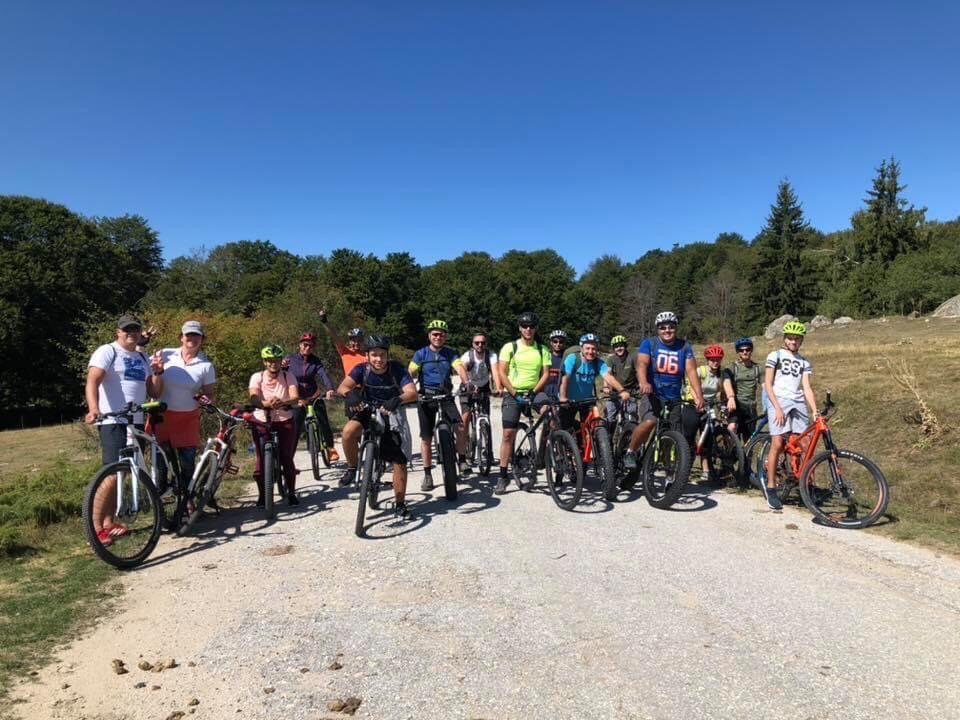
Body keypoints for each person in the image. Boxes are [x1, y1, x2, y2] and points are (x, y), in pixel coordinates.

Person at [84, 314, 164, 546]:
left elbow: (154, 392)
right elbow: (92, 381)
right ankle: (96, 528)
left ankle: (109, 522)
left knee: (123, 472)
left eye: (135, 329)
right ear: (118, 332)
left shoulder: (142, 356)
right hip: (113, 420)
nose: (131, 333)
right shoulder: (107, 351)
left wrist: (158, 373)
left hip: (136, 420)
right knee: (111, 474)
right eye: (127, 329)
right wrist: (94, 409)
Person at [337, 335, 418, 518]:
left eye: (382, 355)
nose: (378, 359)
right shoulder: (361, 369)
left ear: (387, 355)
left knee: (399, 460)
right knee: (348, 432)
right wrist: (351, 395)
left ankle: (400, 504)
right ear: (367, 355)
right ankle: (352, 467)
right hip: (368, 409)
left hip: (391, 412)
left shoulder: (396, 369)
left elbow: (412, 393)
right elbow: (342, 387)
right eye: (374, 355)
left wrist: (397, 399)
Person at [622, 311, 704, 471]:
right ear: (657, 329)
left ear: (676, 328)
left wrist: (699, 395)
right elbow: (642, 364)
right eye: (663, 327)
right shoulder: (649, 343)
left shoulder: (684, 346)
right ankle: (631, 451)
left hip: (674, 397)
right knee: (650, 422)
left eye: (671, 327)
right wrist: (644, 382)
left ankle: (669, 471)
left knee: (673, 434)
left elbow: (691, 371)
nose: (667, 330)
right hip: (652, 394)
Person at [151, 320, 217, 497]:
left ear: (202, 339)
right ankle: (160, 500)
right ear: (181, 337)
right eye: (188, 335)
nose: (192, 339)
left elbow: (210, 394)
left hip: (187, 418)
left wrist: (207, 401)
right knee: (161, 463)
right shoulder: (165, 354)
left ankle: (188, 501)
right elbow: (147, 375)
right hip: (162, 416)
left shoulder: (206, 365)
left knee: (187, 463)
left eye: (196, 336)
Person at [762, 321, 818, 512]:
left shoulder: (804, 362)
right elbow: (768, 383)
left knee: (805, 444)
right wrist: (777, 407)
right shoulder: (775, 355)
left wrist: (814, 410)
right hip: (778, 399)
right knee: (778, 443)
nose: (793, 342)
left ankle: (806, 485)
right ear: (785, 339)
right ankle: (771, 487)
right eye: (790, 338)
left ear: (801, 340)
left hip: (797, 401)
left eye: (797, 339)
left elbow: (807, 387)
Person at [408, 320, 469, 490]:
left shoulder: (450, 353)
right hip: (426, 397)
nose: (438, 337)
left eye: (441, 334)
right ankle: (427, 475)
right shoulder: (421, 354)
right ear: (429, 336)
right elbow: (410, 371)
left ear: (445, 337)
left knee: (460, 428)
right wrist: (407, 386)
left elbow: (459, 368)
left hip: (445, 396)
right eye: (435, 334)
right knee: (426, 438)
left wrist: (467, 382)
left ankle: (462, 460)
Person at [496, 311, 551, 495]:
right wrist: (514, 392)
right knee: (508, 434)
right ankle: (503, 475)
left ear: (535, 329)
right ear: (520, 328)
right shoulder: (510, 347)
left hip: (534, 391)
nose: (528, 329)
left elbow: (546, 374)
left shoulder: (542, 349)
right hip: (513, 393)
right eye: (525, 326)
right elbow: (502, 372)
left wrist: (533, 392)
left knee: (549, 411)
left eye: (531, 326)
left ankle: (547, 451)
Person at [248, 345, 300, 506]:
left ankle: (291, 493)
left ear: (281, 361)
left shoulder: (288, 376)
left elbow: (295, 397)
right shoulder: (257, 377)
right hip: (262, 420)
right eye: (270, 361)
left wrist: (283, 402)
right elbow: (253, 396)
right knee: (261, 458)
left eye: (276, 360)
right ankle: (262, 495)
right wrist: (265, 404)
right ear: (264, 362)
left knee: (286, 457)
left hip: (284, 420)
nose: (273, 364)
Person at [283, 332, 340, 464]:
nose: (308, 348)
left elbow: (323, 374)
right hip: (297, 397)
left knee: (323, 420)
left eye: (311, 346)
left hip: (314, 395)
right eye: (305, 345)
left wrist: (330, 388)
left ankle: (330, 448)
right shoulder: (290, 359)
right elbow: (282, 374)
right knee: (295, 427)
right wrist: (282, 367)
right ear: (300, 345)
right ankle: (289, 460)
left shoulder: (316, 361)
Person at [683, 344, 736, 482]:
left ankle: (706, 470)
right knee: (690, 434)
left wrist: (730, 398)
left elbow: (727, 385)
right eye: (712, 359)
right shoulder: (701, 371)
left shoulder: (721, 374)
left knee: (707, 437)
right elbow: (692, 385)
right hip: (692, 403)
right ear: (707, 360)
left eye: (718, 359)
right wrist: (697, 400)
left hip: (709, 406)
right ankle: (684, 466)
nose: (715, 362)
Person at [558, 334, 630, 431]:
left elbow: (609, 377)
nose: (590, 352)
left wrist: (622, 390)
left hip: (587, 400)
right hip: (569, 401)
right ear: (581, 348)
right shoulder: (573, 358)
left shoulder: (598, 362)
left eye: (593, 349)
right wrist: (563, 397)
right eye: (587, 348)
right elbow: (565, 378)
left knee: (592, 426)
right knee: (565, 428)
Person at [459, 331, 501, 448]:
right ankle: (464, 444)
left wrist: (498, 387)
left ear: (486, 344)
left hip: (484, 387)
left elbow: (495, 372)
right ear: (472, 344)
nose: (480, 345)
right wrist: (469, 385)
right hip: (468, 387)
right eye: (477, 343)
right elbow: (462, 370)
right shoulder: (467, 356)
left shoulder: (491, 356)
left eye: (483, 342)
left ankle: (488, 450)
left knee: (486, 418)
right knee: (466, 417)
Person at [536, 329, 568, 468]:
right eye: (555, 341)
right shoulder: (546, 357)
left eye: (561, 342)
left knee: (560, 425)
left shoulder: (567, 359)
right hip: (547, 395)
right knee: (549, 424)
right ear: (551, 343)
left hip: (561, 395)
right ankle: (542, 456)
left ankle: (561, 453)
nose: (558, 344)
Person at [725, 336, 762, 441]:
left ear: (751, 350)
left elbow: (765, 385)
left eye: (747, 349)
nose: (745, 352)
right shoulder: (732, 367)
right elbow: (726, 382)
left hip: (751, 407)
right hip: (736, 405)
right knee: (732, 428)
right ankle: (730, 450)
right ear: (738, 352)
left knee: (749, 440)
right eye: (741, 350)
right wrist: (731, 397)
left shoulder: (757, 368)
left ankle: (745, 452)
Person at [318, 309, 366, 378]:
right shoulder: (345, 351)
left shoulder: (367, 355)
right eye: (354, 340)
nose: (356, 343)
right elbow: (335, 336)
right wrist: (325, 322)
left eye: (359, 340)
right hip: (349, 384)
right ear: (350, 341)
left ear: (363, 341)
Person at [603, 334, 639, 423]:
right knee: (609, 416)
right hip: (615, 392)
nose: (619, 348)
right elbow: (607, 373)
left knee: (631, 416)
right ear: (613, 349)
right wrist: (606, 386)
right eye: (616, 347)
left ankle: (629, 430)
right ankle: (609, 430)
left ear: (625, 346)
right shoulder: (611, 359)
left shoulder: (632, 357)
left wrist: (641, 384)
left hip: (630, 391)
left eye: (621, 346)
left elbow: (639, 372)